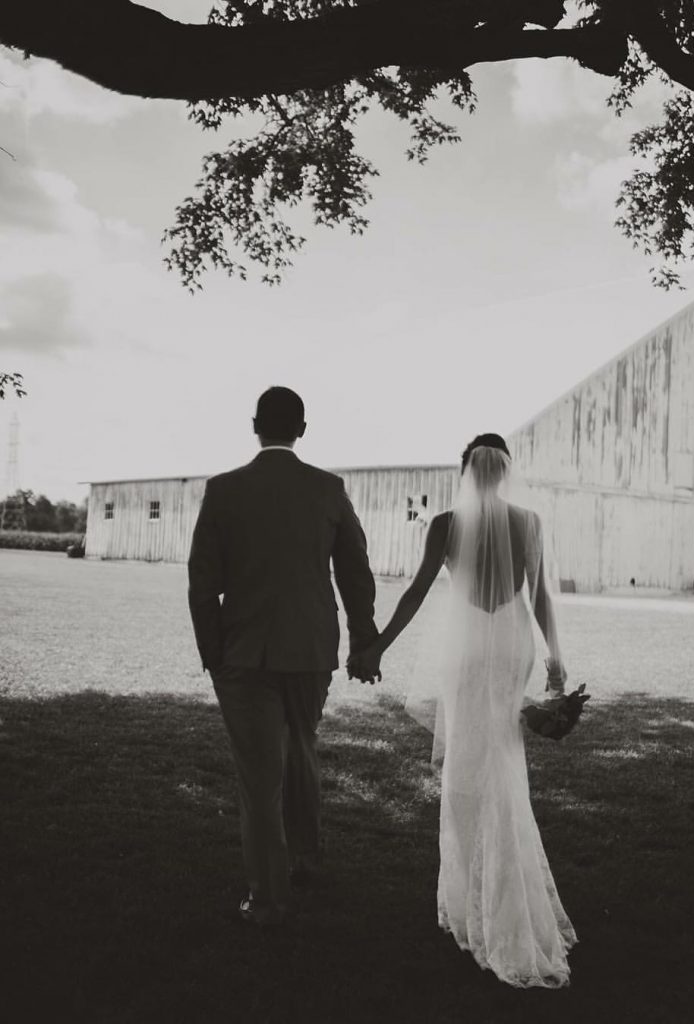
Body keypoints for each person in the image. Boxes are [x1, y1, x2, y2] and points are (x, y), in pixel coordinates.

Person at [349, 433, 577, 987]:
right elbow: (541, 595)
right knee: (503, 758)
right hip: (513, 642)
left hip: (470, 646)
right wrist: (555, 657)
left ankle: (475, 900)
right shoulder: (530, 522)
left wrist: (377, 645)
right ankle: (498, 888)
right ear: (504, 473)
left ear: (467, 471)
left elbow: (418, 591)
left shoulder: (445, 524)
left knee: (466, 770)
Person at [188, 386, 379, 927]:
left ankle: (268, 899)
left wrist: (213, 652)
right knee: (301, 750)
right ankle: (304, 858)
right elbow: (355, 570)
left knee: (259, 775)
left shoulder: (223, 490)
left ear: (255, 425)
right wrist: (363, 637)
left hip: (244, 653)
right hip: (312, 647)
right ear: (302, 428)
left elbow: (203, 580)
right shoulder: (328, 489)